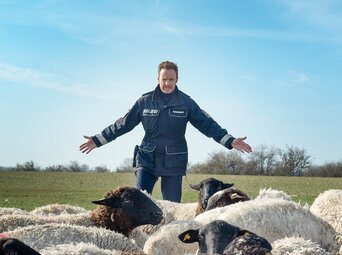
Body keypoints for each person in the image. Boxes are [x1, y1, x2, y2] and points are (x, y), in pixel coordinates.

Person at [79, 60, 252, 202]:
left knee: (172, 207)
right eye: (164, 79)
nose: (168, 83)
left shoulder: (186, 102)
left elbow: (206, 124)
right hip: (147, 160)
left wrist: (230, 140)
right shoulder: (145, 101)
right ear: (158, 78)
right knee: (137, 202)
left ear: (177, 79)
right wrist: (98, 139)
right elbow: (124, 124)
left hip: (174, 162)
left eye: (171, 79)